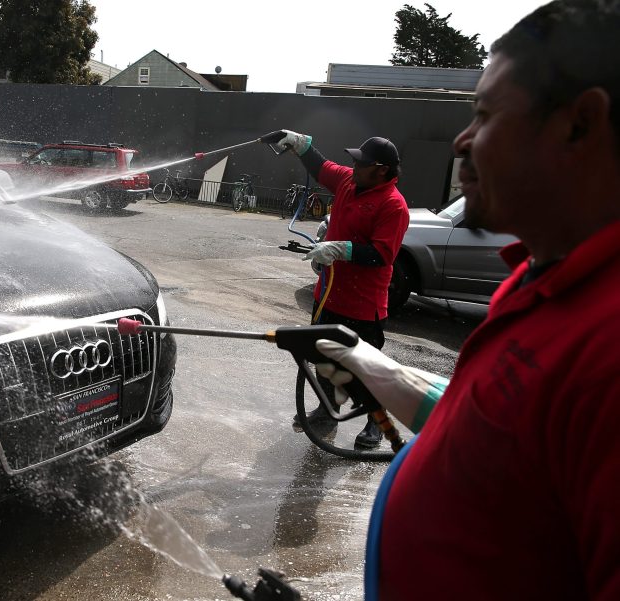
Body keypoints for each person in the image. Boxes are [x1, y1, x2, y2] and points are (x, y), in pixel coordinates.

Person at [310, 0, 620, 597]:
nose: (461, 141)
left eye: (485, 114)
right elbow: (482, 426)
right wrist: (371, 365)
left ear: (579, 125)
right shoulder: (535, 279)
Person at [259, 130, 409, 448]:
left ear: (381, 170)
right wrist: (301, 145)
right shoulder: (349, 182)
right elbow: (321, 166)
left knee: (365, 370)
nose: (353, 166)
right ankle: (328, 412)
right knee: (324, 360)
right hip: (329, 296)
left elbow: (383, 255)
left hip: (363, 305)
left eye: (362, 163)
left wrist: (341, 250)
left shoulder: (393, 206)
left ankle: (375, 423)